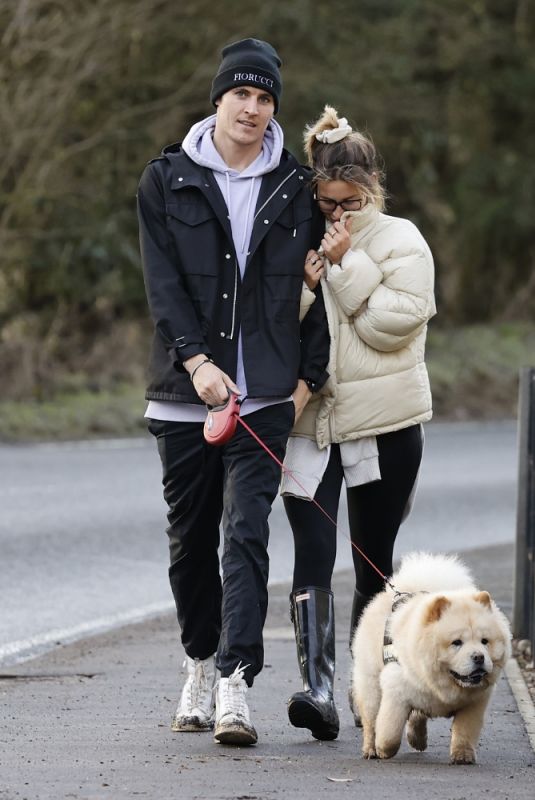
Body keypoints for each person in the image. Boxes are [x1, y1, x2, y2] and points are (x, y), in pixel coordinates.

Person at [136, 39, 329, 747]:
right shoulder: (165, 180)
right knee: (190, 542)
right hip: (184, 397)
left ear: (274, 108)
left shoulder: (297, 186)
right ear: (217, 100)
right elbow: (163, 285)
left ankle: (235, 683)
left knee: (245, 534)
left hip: (266, 397)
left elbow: (320, 294)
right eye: (240, 94)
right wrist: (194, 362)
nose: (251, 108)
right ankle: (196, 661)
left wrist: (307, 380)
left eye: (264, 97)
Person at [281, 106, 436, 741]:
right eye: (325, 201)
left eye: (349, 200)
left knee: (374, 563)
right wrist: (307, 287)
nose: (335, 214)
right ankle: (319, 691)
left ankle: (376, 691)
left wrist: (345, 267)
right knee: (312, 556)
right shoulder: (297, 234)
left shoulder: (403, 240)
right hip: (310, 425)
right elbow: (271, 328)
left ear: (372, 188)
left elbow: (387, 326)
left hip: (385, 427)